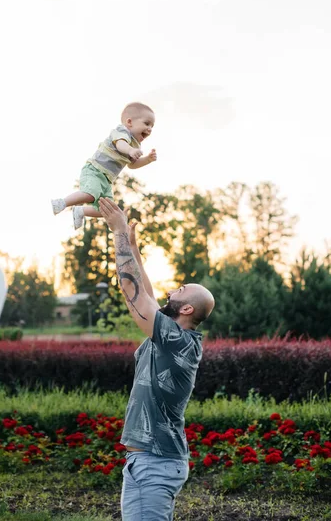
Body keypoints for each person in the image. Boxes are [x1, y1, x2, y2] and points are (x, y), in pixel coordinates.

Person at [98, 197, 215, 521]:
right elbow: (146, 296)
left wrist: (119, 232)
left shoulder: (177, 341)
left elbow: (133, 295)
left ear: (188, 309)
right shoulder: (172, 337)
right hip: (150, 461)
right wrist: (133, 249)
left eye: (180, 289)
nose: (171, 291)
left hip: (154, 463)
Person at [51, 102, 156, 230]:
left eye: (152, 126)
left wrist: (147, 160)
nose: (150, 129)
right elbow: (120, 145)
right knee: (90, 194)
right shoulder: (121, 132)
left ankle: (80, 211)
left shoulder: (135, 145)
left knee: (108, 210)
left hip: (106, 181)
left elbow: (132, 165)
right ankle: (62, 202)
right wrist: (130, 151)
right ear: (129, 122)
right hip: (95, 170)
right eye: (146, 123)